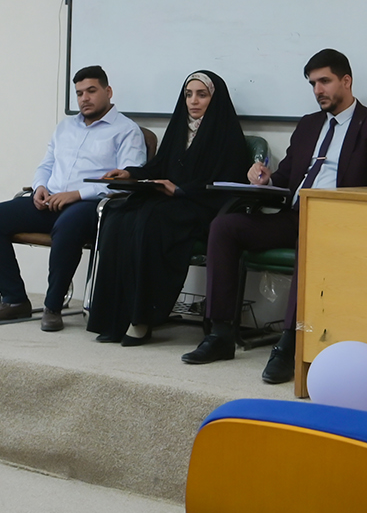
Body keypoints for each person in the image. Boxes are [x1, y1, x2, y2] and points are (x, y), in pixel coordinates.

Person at [184, 49, 367, 382]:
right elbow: (287, 176)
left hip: (338, 222)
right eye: (313, 83)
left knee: (311, 240)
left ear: (346, 81)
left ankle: (290, 343)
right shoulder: (309, 124)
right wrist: (265, 178)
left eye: (325, 81)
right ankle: (220, 334)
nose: (318, 90)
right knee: (225, 227)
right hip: (295, 214)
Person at [84, 71, 251, 346]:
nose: (193, 101)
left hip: (201, 207)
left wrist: (181, 190)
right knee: (117, 216)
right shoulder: (179, 129)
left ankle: (141, 319)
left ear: (214, 99)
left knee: (151, 222)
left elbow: (225, 185)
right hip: (170, 203)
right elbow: (159, 167)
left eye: (202, 95)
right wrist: (130, 173)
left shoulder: (228, 136)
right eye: (188, 95)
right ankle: (115, 317)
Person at [0, 66, 147, 331]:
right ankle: (14, 299)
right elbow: (46, 165)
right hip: (51, 200)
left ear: (108, 91)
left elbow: (126, 182)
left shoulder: (126, 130)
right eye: (79, 93)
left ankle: (53, 306)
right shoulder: (65, 127)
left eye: (91, 91)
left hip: (91, 206)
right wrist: (39, 187)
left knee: (68, 226)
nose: (84, 98)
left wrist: (77, 194)